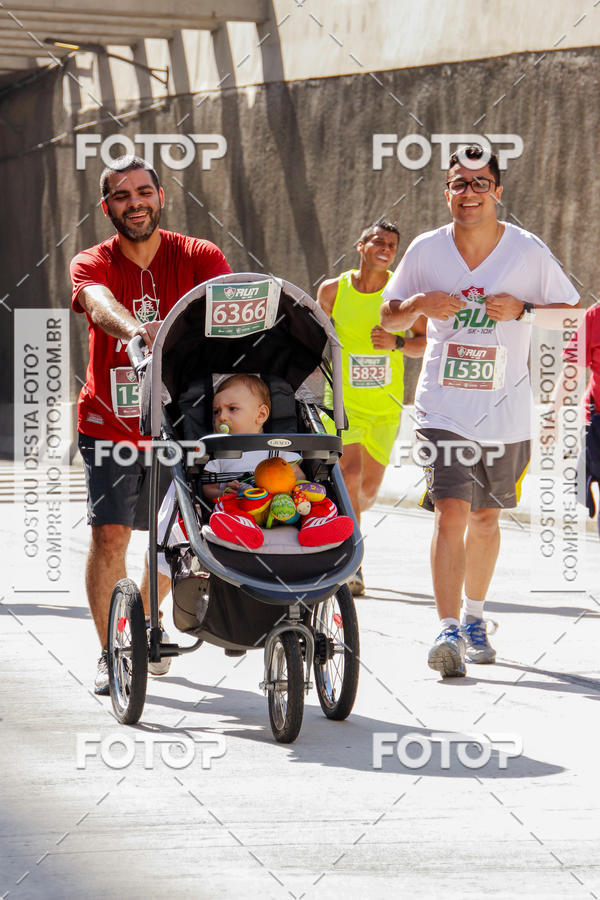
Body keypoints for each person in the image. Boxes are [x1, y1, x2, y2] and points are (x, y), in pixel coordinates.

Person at [380, 144, 580, 678]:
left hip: (507, 410)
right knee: (450, 511)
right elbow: (390, 316)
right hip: (442, 407)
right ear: (448, 192)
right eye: (458, 184)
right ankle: (445, 629)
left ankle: (474, 617)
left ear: (497, 190)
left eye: (479, 183)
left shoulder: (527, 251)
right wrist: (421, 305)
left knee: (487, 518)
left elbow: (573, 315)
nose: (469, 193)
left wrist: (526, 309)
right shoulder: (425, 250)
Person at [70, 154, 231, 694]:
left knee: (174, 539)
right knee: (110, 536)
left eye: (143, 192)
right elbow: (97, 302)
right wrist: (136, 329)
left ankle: (138, 629)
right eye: (121, 195)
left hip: (181, 425)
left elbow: (225, 312)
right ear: (107, 206)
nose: (134, 203)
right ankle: (109, 653)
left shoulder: (200, 255)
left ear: (159, 197)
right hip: (109, 425)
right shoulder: (92, 260)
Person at [317, 220, 426, 596]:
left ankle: (352, 517)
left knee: (367, 489)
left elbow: (423, 343)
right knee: (347, 476)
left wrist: (396, 343)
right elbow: (315, 338)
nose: (386, 249)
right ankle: (353, 565)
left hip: (385, 407)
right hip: (343, 403)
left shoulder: (404, 294)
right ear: (360, 245)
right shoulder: (333, 291)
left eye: (392, 245)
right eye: (378, 241)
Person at [159, 374, 353, 550]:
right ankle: (240, 528)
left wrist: (300, 489)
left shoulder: (280, 447)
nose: (222, 417)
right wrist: (223, 491)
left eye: (232, 409)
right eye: (216, 411)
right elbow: (207, 488)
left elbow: (298, 477)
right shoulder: (218, 452)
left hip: (283, 506)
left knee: (316, 500)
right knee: (227, 505)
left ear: (260, 415)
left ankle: (317, 525)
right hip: (244, 504)